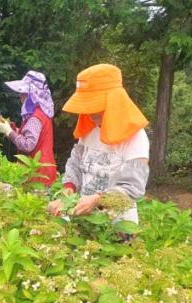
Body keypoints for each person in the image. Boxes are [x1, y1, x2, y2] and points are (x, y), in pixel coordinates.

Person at [48, 64, 150, 224]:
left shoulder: (136, 137)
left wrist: (98, 199)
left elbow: (132, 187)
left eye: (95, 106)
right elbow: (76, 164)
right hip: (85, 220)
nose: (90, 113)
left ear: (115, 102)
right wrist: (68, 191)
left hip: (117, 225)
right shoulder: (89, 128)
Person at [0, 71, 57, 186]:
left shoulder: (35, 117)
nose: (20, 95)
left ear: (33, 94)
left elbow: (28, 145)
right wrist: (12, 128)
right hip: (44, 168)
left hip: (36, 173)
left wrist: (9, 132)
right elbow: (35, 137)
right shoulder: (42, 112)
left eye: (24, 92)